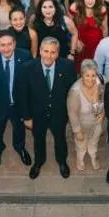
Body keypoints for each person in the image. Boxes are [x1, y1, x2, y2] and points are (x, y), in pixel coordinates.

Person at [17, 36, 76, 179]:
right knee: (38, 139)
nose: (49, 56)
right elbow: (22, 95)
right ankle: (38, 162)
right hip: (37, 114)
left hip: (59, 114)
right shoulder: (27, 68)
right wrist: (26, 117)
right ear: (40, 51)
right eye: (46, 51)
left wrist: (70, 114)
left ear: (58, 53)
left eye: (53, 52)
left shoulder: (67, 67)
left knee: (60, 139)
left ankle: (62, 161)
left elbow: (72, 92)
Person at [0, 30, 32, 170]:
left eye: (9, 44)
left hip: (18, 105)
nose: (6, 48)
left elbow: (29, 84)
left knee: (19, 129)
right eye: (2, 45)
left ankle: (20, 147)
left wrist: (28, 109)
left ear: (14, 44)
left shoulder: (25, 56)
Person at [68, 59, 105, 171]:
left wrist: (103, 113)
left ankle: (93, 157)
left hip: (96, 123)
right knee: (80, 144)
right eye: (87, 75)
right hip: (81, 123)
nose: (91, 79)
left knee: (94, 142)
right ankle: (80, 159)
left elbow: (104, 102)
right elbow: (72, 113)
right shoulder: (75, 91)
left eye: (93, 75)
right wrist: (77, 130)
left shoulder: (100, 84)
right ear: (82, 75)